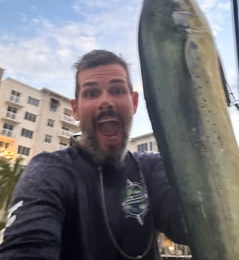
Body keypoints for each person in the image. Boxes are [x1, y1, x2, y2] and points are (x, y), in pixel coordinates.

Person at [0, 49, 189, 260]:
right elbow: (25, 246)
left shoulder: (152, 168)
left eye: (117, 90)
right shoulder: (49, 171)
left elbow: (191, 226)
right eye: (91, 93)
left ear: (134, 102)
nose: (106, 102)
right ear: (75, 109)